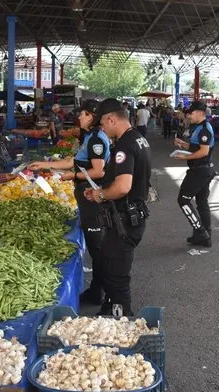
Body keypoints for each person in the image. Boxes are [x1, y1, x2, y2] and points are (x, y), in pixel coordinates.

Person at [29, 100, 110, 305]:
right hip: (86, 195)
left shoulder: (97, 140)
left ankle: (101, 291)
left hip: (93, 196)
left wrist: (70, 176)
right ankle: (98, 289)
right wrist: (45, 164)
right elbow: (72, 161)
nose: (79, 117)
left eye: (83, 114)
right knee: (95, 246)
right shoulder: (89, 137)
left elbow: (98, 171)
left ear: (91, 116)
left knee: (97, 246)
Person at [84, 98, 151, 317]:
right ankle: (108, 309)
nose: (102, 129)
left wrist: (100, 194)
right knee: (107, 261)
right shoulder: (139, 139)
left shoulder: (124, 144)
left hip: (125, 220)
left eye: (103, 124)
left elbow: (122, 187)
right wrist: (101, 193)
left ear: (111, 119)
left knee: (116, 275)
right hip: (129, 216)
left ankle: (121, 319)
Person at [172, 101, 216, 247]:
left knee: (183, 200)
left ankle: (201, 232)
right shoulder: (198, 128)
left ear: (199, 113)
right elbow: (195, 147)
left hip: (200, 171)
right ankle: (204, 234)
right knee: (202, 202)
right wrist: (182, 144)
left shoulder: (204, 128)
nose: (189, 116)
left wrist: (185, 157)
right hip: (204, 169)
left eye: (191, 113)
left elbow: (203, 151)